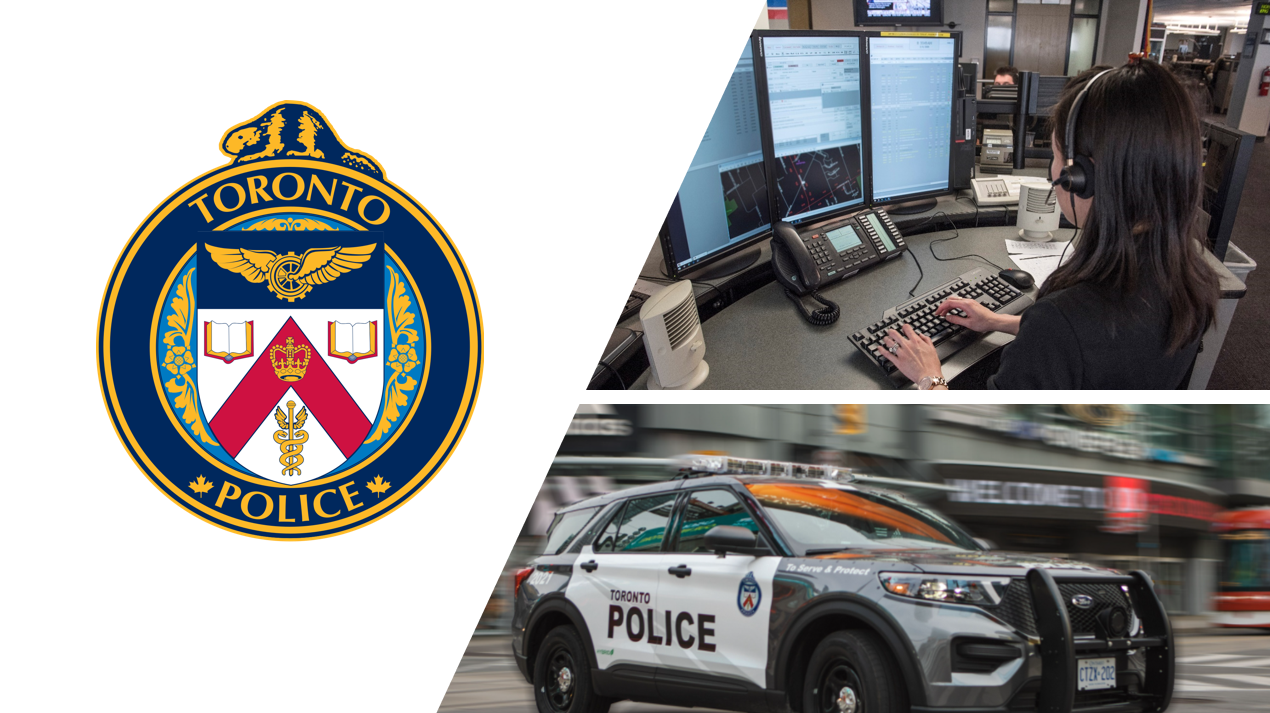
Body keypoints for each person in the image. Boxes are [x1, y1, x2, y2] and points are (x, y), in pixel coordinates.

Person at [878, 57, 1220, 390]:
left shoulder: (1065, 319)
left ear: (1081, 177)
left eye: (1056, 156)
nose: (1053, 172)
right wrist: (998, 321)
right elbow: (1095, 349)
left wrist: (930, 377)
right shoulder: (1192, 276)